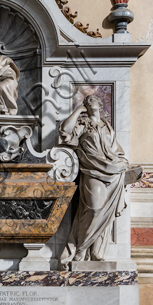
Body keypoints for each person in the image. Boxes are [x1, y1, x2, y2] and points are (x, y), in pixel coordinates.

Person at [59, 94, 129, 266]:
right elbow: (65, 131)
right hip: (91, 171)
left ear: (99, 104)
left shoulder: (107, 127)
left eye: (93, 99)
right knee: (95, 209)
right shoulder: (83, 124)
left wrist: (122, 164)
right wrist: (78, 111)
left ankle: (95, 250)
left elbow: (117, 151)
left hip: (112, 173)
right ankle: (81, 248)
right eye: (87, 100)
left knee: (106, 212)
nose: (91, 101)